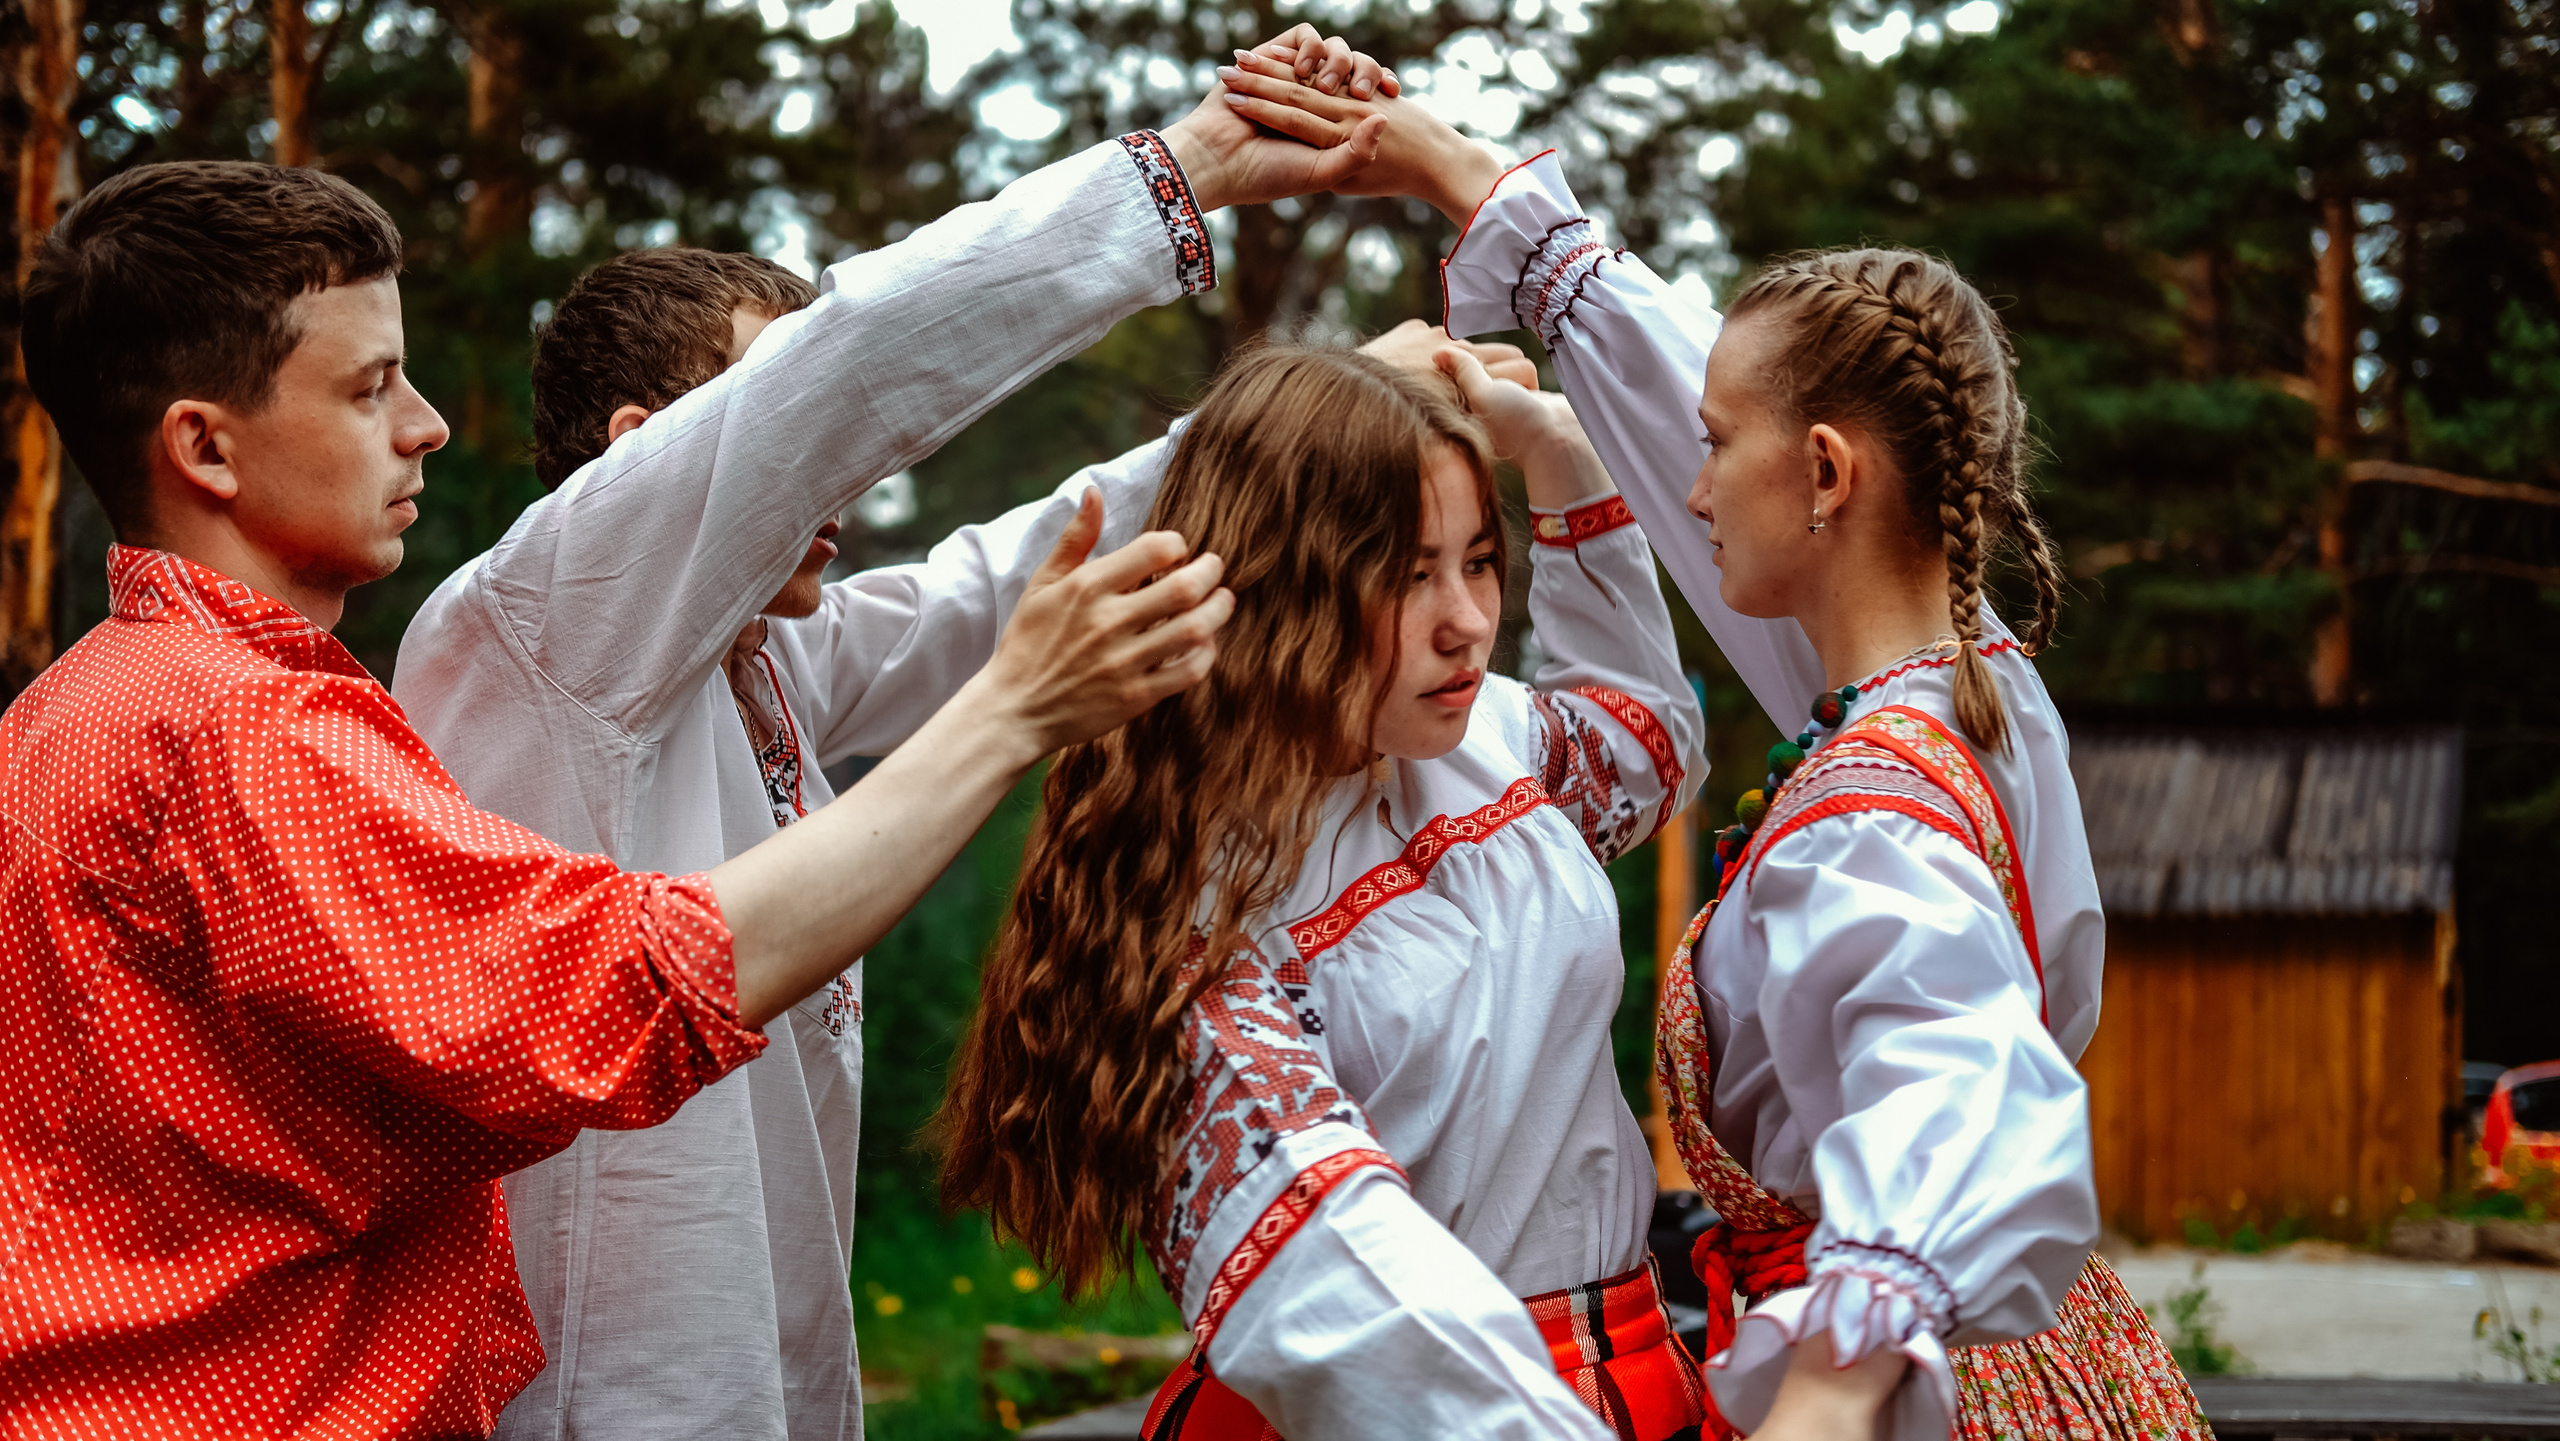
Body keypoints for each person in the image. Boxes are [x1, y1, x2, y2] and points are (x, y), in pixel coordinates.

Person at [0, 160, 1237, 1438]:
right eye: (372, 386)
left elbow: (982, 582)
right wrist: (1190, 166)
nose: (426, 424)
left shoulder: (82, 712)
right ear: (204, 443)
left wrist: (1264, 429)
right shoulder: (304, 707)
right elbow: (607, 989)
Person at [1216, 56, 2212, 1441]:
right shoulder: (1975, 692)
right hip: (2022, 1365)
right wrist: (1470, 189)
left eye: (1711, 444)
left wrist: (1838, 1368)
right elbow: (1765, 412)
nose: (1683, 491)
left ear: (1823, 473)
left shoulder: (1874, 811)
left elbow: (1952, 1066)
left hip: (1891, 1394)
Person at [397, 246, 1531, 1441]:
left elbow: (999, 576)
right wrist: (1188, 170)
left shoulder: (770, 657)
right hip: (602, 1400)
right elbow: (877, 354)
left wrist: (1302, 421)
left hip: (768, 1372)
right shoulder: (543, 623)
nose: (845, 475)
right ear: (640, 456)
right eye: (797, 427)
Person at [937, 344, 1709, 1441]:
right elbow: (1330, 1272)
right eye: (1404, 573)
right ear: (1277, 584)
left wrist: (1560, 452)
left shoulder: (1480, 728)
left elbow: (1648, 747)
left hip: (1630, 1364)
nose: (1466, 621)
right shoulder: (1194, 905)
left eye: (1479, 561)